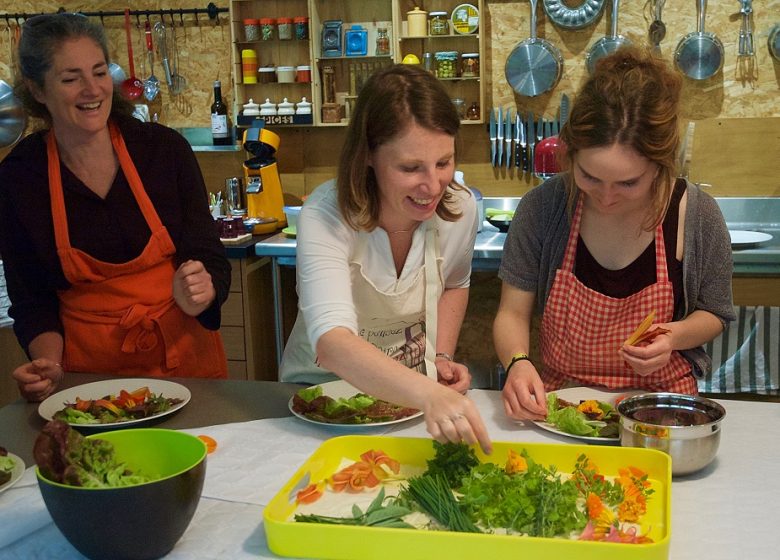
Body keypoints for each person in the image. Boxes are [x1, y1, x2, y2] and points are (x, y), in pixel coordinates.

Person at [494, 46, 735, 421]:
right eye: (589, 176)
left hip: (660, 406)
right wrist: (518, 363)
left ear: (660, 165)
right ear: (570, 154)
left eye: (627, 183)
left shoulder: (696, 214)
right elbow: (511, 312)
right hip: (563, 407)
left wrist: (674, 337)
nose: (606, 198)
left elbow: (715, 313)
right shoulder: (544, 208)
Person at [0, 14, 231, 402]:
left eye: (99, 71)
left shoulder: (163, 150)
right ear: (38, 90)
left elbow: (208, 254)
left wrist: (204, 290)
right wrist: (47, 366)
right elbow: (32, 299)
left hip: (187, 366)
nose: (92, 90)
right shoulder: (18, 179)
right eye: (71, 78)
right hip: (90, 382)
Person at [280, 64, 491, 453]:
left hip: (408, 400)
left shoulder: (460, 209)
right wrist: (430, 395)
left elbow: (456, 284)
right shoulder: (327, 214)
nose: (433, 186)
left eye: (444, 163)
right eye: (411, 168)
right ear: (369, 157)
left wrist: (441, 358)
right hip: (319, 396)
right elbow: (332, 343)